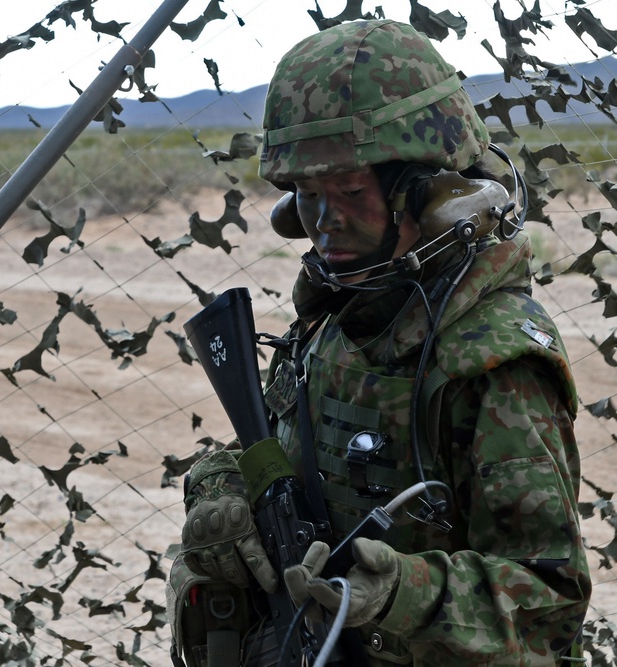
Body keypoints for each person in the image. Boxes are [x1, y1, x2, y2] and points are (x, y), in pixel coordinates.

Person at [167, 18, 591, 667]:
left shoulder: (493, 357)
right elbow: (279, 449)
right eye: (308, 195)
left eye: (349, 191)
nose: (324, 222)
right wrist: (222, 485)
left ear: (432, 192)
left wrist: (401, 591)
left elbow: (549, 607)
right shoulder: (343, 306)